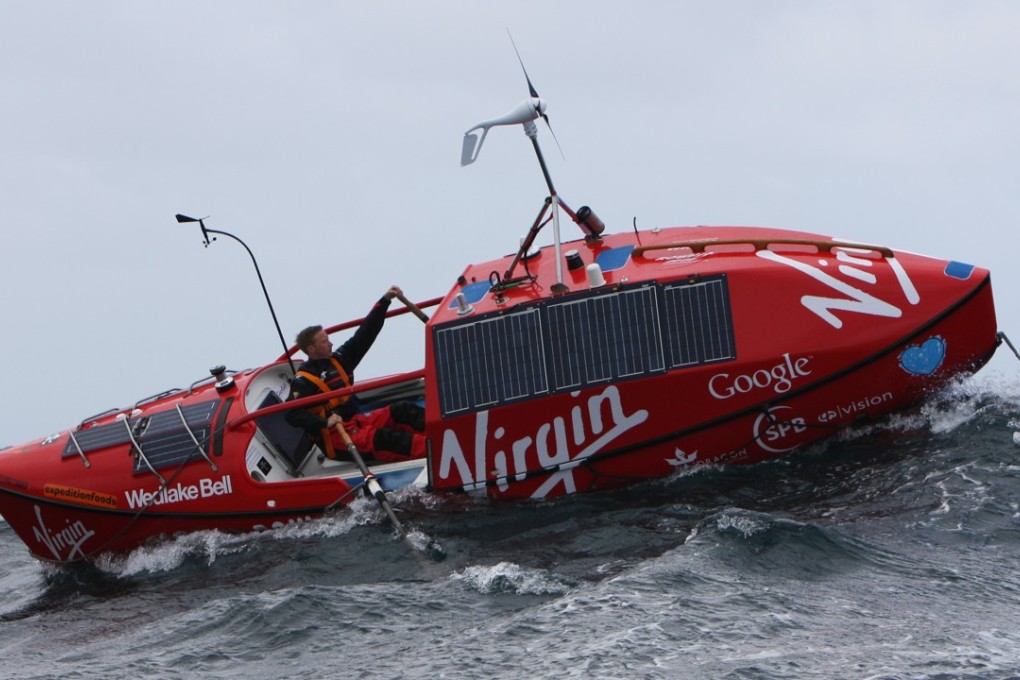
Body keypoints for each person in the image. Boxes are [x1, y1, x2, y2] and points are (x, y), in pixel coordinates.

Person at [285, 285, 426, 462]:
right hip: (337, 437)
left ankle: (446, 432)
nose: (330, 344)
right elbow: (291, 413)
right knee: (386, 438)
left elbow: (365, 334)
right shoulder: (304, 380)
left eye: (328, 339)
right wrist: (324, 423)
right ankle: (437, 451)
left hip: (358, 420)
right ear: (311, 349)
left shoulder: (340, 359)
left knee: (403, 410)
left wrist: (385, 301)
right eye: (324, 342)